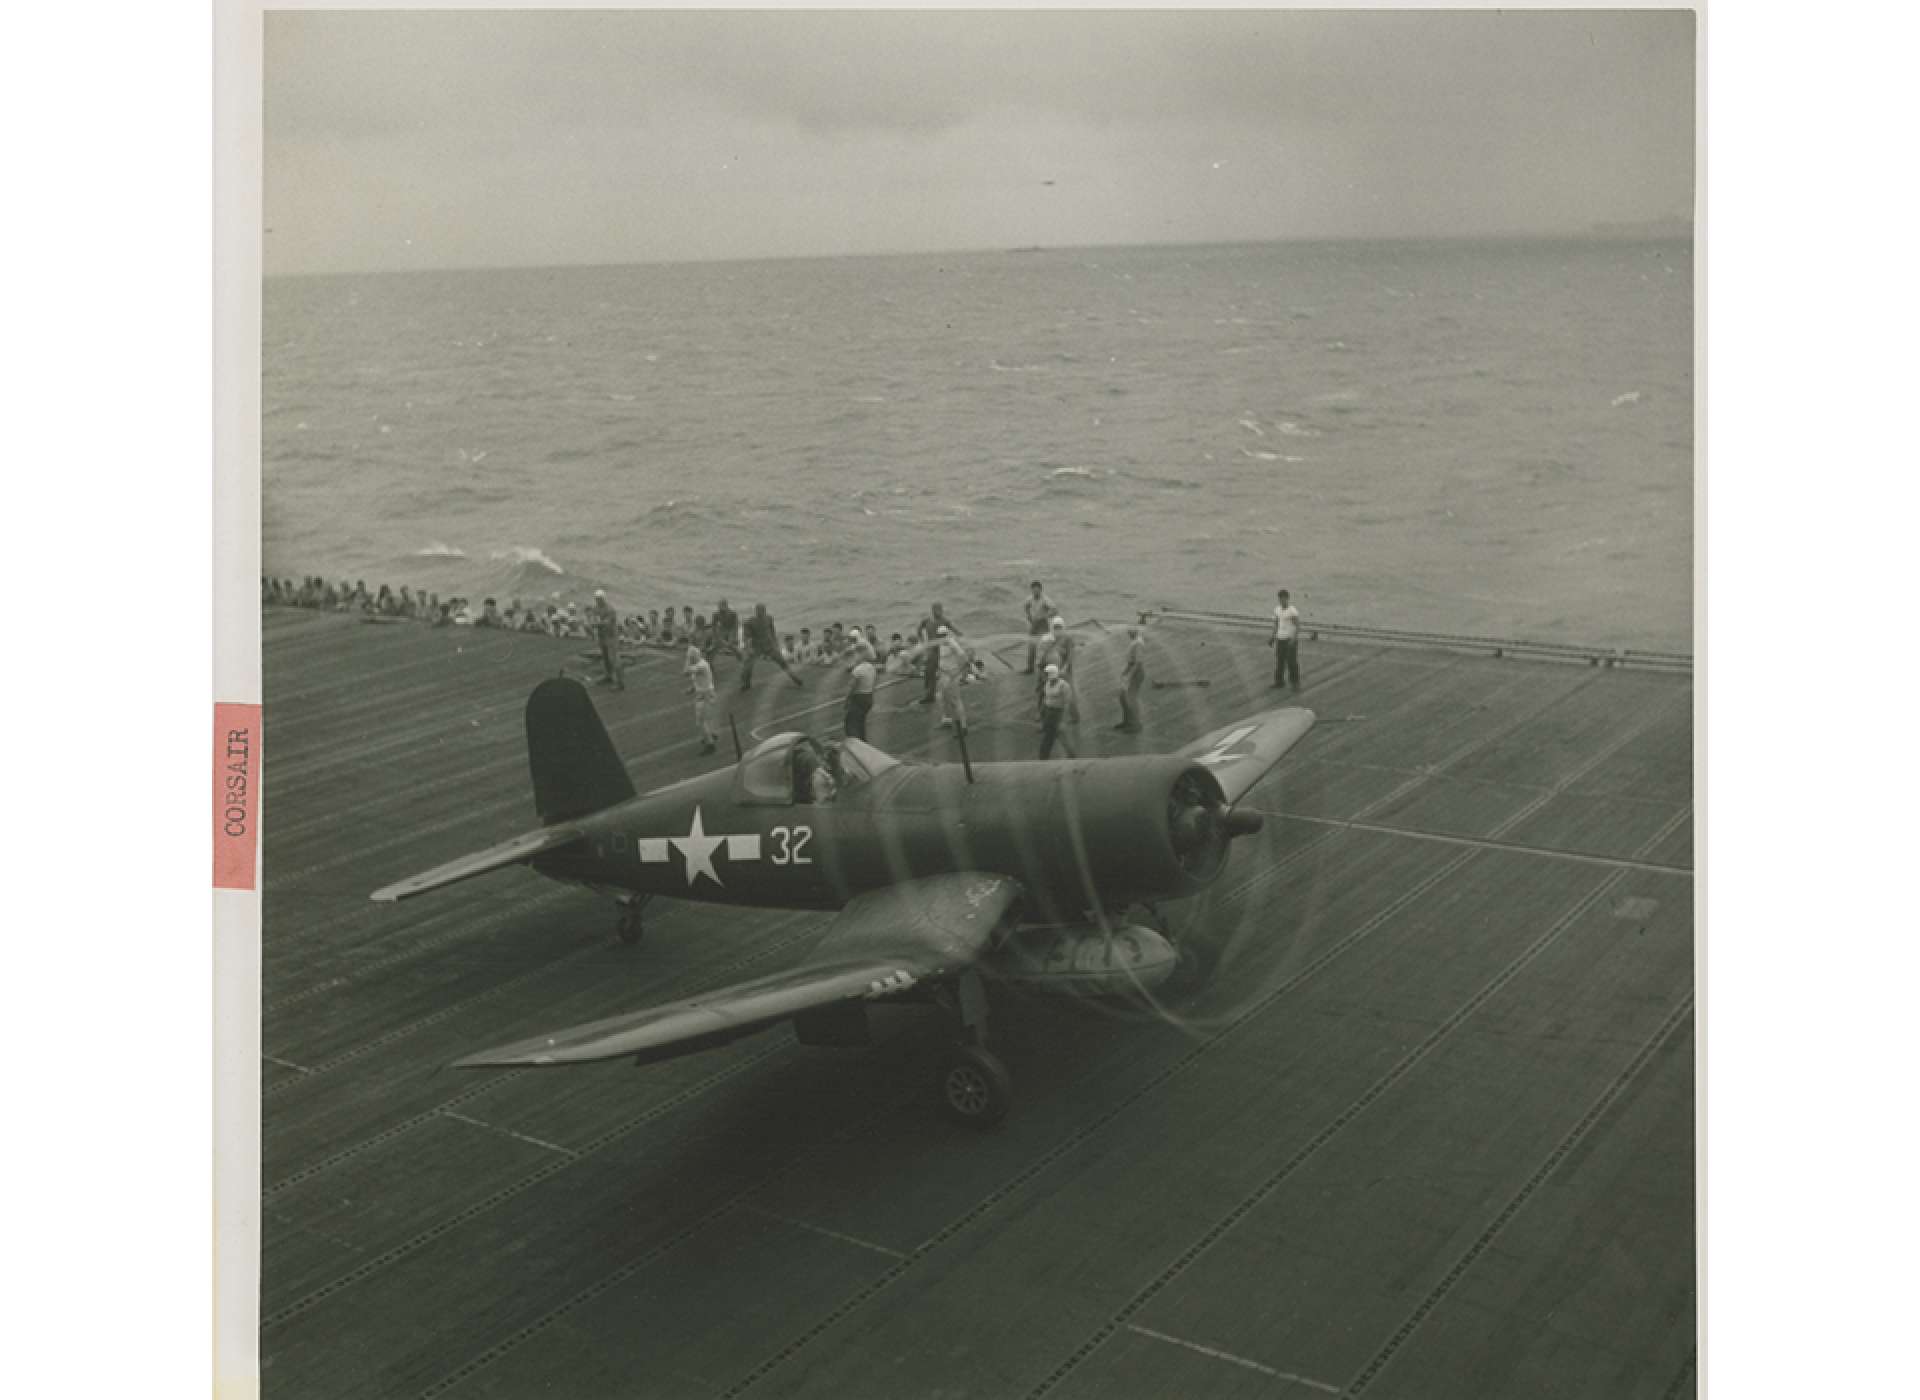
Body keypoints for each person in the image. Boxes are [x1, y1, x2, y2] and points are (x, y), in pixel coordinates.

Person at [740, 603, 803, 690]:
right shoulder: (749, 622)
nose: (761, 613)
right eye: (759, 611)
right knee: (748, 665)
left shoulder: (769, 618)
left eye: (762, 611)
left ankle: (794, 678)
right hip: (756, 646)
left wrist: (775, 643)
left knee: (782, 661)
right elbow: (746, 637)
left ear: (765, 611)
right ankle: (746, 683)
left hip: (769, 645)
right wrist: (749, 648)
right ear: (755, 612)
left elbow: (772, 631)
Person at [935, 627, 971, 734]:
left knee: (955, 700)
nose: (941, 638)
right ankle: (946, 719)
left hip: (951, 675)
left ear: (946, 634)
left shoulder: (953, 644)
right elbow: (942, 659)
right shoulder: (941, 644)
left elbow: (965, 659)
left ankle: (963, 727)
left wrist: (958, 673)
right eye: (939, 636)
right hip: (943, 674)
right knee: (940, 696)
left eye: (943, 635)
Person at [685, 642, 719, 755]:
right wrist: (691, 689)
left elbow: (686, 671)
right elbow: (699, 680)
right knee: (707, 718)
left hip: (705, 695)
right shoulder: (701, 664)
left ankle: (710, 744)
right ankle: (712, 734)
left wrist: (688, 660)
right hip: (706, 693)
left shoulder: (700, 665)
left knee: (701, 721)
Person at [1040, 664, 1077, 759]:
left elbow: (1067, 703)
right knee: (1047, 738)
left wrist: (1062, 720)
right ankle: (1043, 758)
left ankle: (1072, 756)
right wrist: (1043, 716)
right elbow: (1046, 699)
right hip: (1049, 713)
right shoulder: (1047, 684)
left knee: (1063, 737)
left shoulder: (1064, 686)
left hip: (1058, 713)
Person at [590, 589, 624, 689]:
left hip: (611, 637)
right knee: (605, 657)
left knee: (614, 659)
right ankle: (608, 676)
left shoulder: (610, 609)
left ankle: (620, 682)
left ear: (603, 598)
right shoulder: (595, 608)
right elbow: (595, 620)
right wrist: (596, 623)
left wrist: (595, 623)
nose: (598, 601)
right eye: (596, 599)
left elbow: (607, 623)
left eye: (599, 599)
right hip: (602, 636)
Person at [1116, 624, 1146, 732]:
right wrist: (1124, 672)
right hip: (1131, 671)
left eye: (1130, 632)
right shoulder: (1135, 642)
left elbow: (1138, 663)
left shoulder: (1138, 643)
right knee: (1123, 697)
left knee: (1131, 698)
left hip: (1136, 673)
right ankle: (1127, 721)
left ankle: (1136, 724)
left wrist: (1129, 676)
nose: (1128, 633)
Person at [1271, 588, 1302, 692]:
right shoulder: (1277, 610)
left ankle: (1295, 683)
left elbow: (1298, 626)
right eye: (1280, 599)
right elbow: (1276, 624)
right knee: (1280, 661)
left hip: (1289, 639)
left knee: (1292, 662)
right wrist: (1272, 636)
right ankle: (1279, 682)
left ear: (1287, 599)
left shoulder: (1292, 611)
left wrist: (1294, 639)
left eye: (1284, 599)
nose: (1282, 601)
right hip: (1280, 639)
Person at [844, 647, 877, 741]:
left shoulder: (858, 670)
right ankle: (863, 741)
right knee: (861, 722)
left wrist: (846, 701)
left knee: (851, 723)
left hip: (859, 698)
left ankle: (855, 744)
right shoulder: (871, 667)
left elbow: (851, 688)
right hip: (868, 696)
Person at [1023, 580, 1057, 673]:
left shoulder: (1045, 600)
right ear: (1031, 590)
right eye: (1033, 590)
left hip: (1043, 625)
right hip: (1034, 625)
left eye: (1037, 590)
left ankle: (1046, 667)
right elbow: (1025, 606)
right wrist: (1029, 616)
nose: (1035, 592)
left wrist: (1045, 616)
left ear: (1041, 590)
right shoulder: (1030, 599)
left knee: (1045, 646)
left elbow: (1054, 610)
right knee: (1031, 647)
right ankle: (1030, 668)